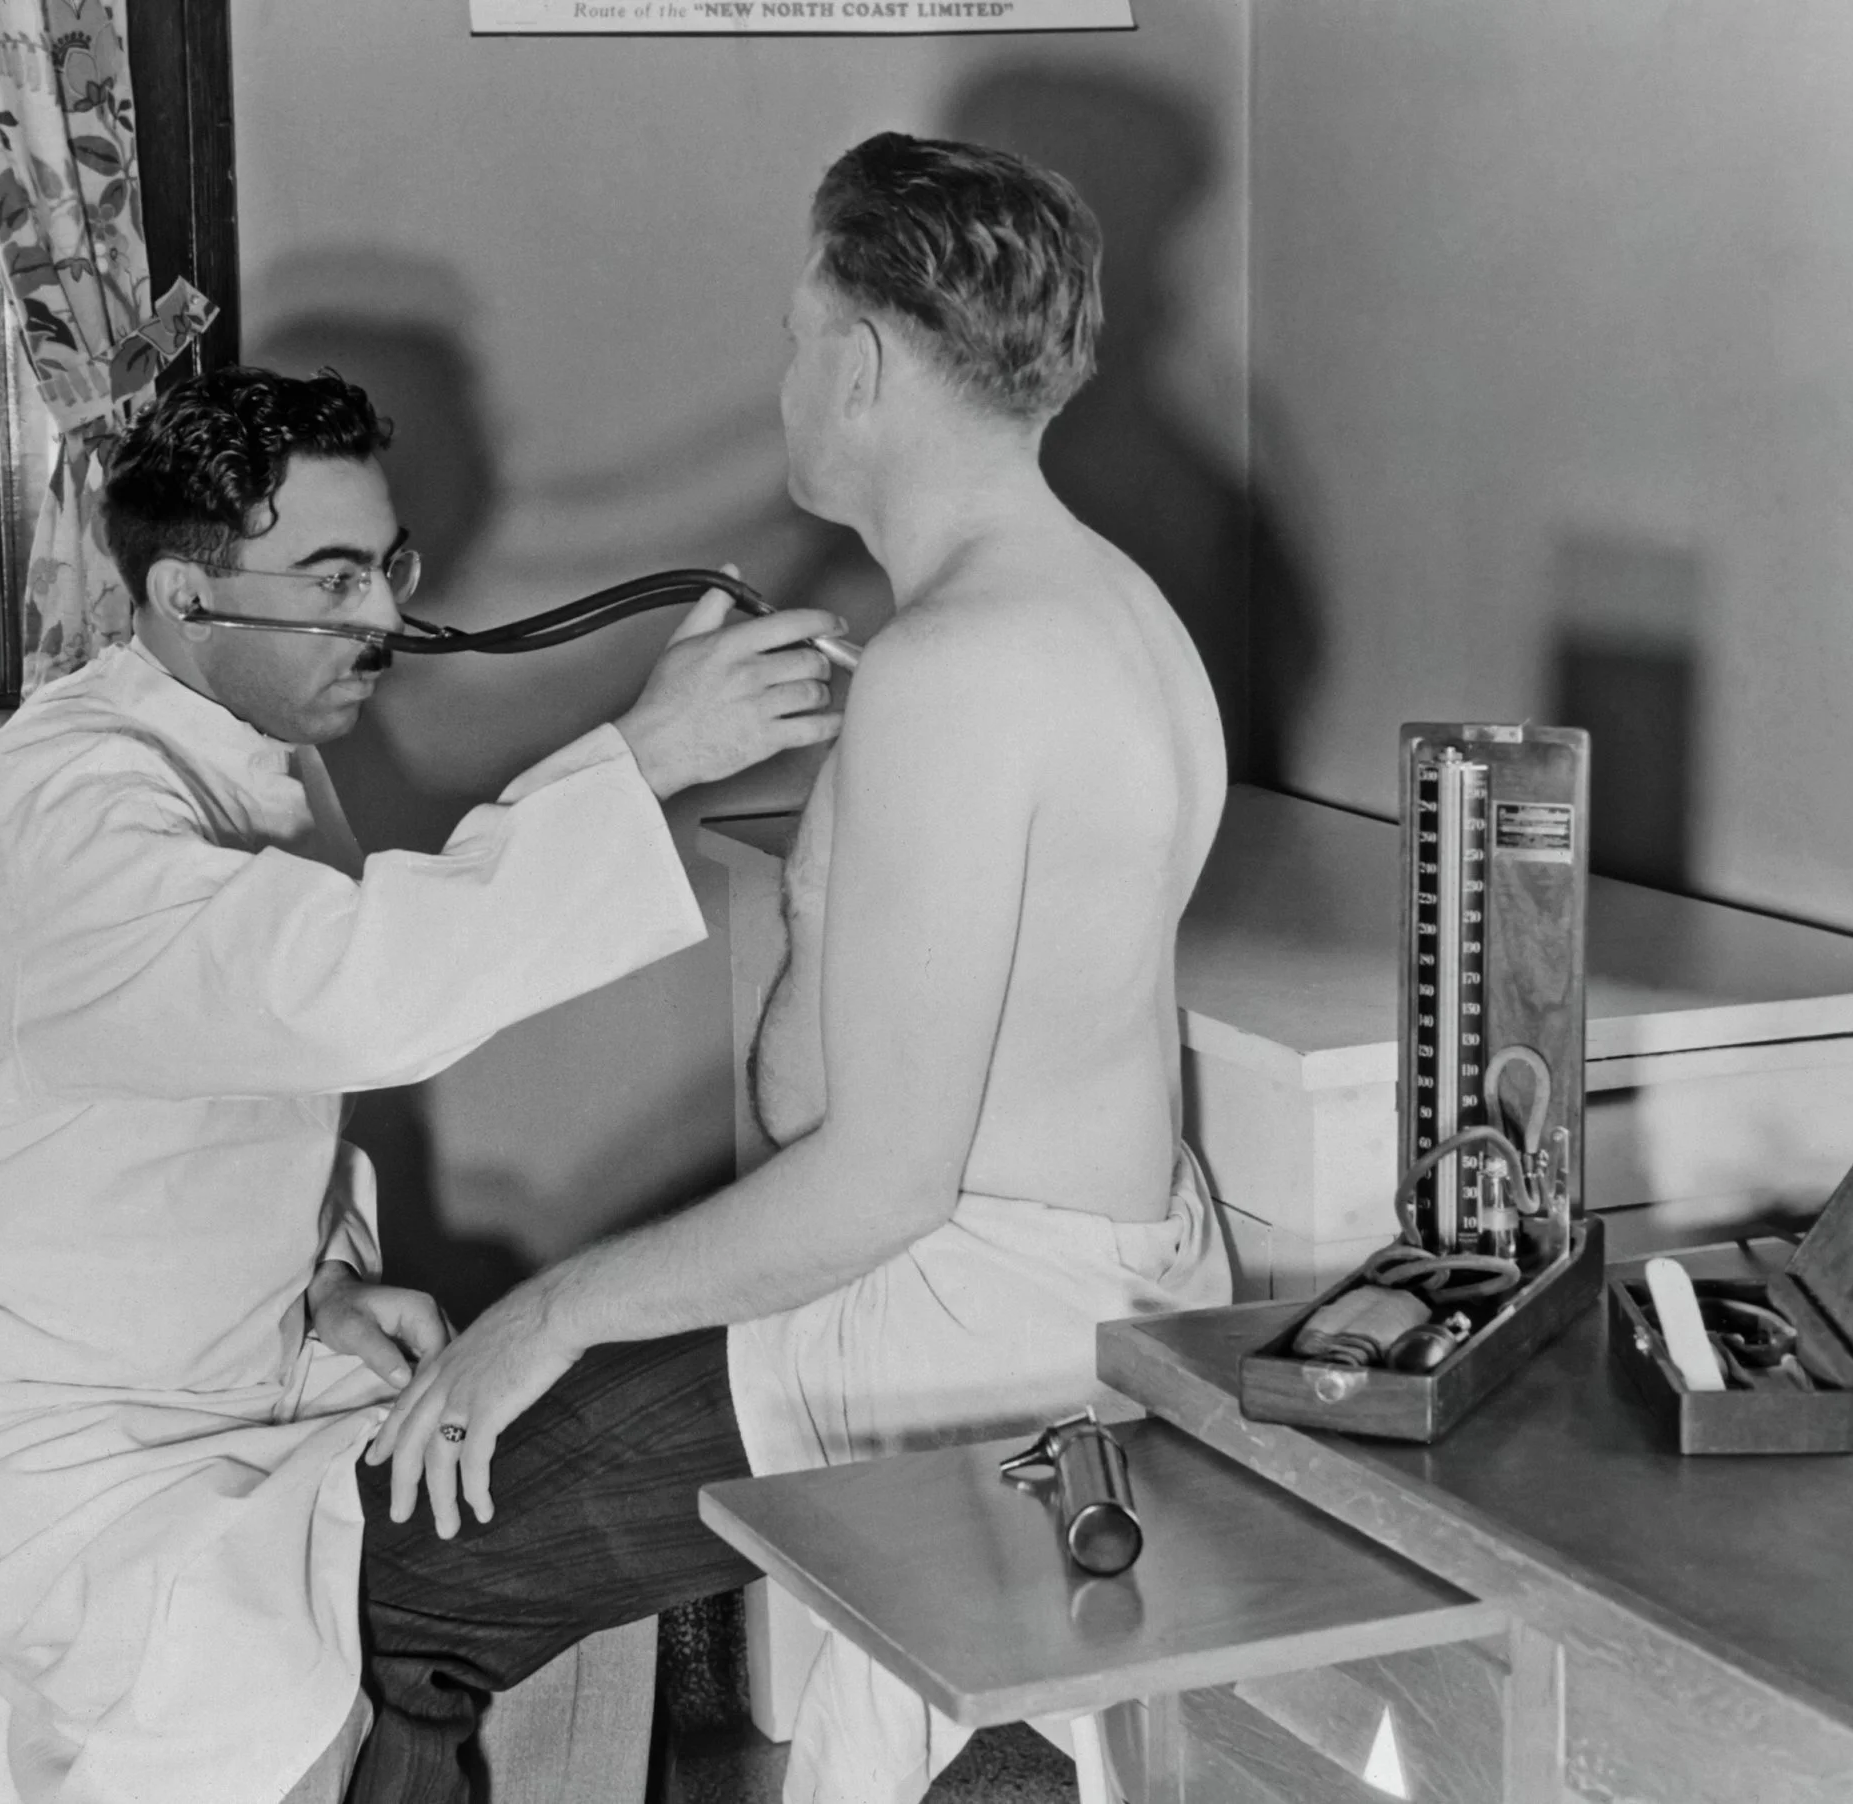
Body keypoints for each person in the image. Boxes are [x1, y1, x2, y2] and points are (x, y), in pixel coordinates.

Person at [0, 366, 847, 1804]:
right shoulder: (70, 816)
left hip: (194, 1369)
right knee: (324, 1656)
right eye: (332, 577)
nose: (387, 616)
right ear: (185, 595)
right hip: (27, 1437)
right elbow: (350, 995)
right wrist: (646, 755)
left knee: (454, 1560)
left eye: (387, 563)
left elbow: (225, 1075)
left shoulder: (243, 759)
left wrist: (323, 1288)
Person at [358, 131, 1237, 1803]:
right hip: (1083, 1285)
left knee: (401, 1573)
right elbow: (840, 1082)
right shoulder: (1108, 609)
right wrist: (837, 875)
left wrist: (534, 1323)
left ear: (862, 361)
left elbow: (874, 1184)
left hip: (958, 1320)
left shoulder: (960, 671)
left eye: (792, 336)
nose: (784, 377)